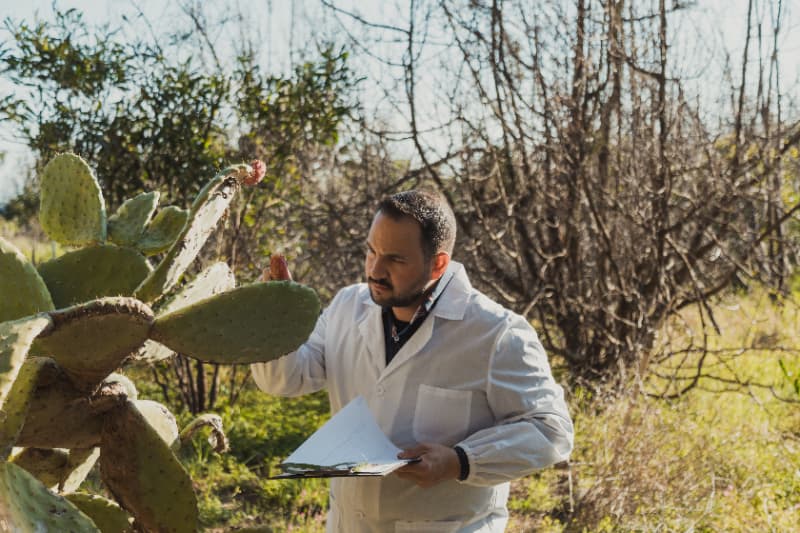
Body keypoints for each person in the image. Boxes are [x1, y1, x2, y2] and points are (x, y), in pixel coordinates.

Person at [252, 189, 573, 532]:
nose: (375, 269)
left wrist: (459, 461)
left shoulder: (496, 334)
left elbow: (550, 429)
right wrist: (276, 319)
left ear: (438, 263)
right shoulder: (348, 306)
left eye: (395, 259)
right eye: (372, 251)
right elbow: (285, 379)